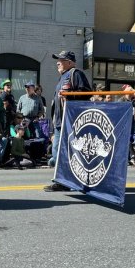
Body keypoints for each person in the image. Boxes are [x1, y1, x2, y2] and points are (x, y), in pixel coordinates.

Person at [44, 50, 91, 192]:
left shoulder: (75, 73)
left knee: (69, 153)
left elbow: (86, 94)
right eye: (57, 59)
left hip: (71, 122)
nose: (57, 62)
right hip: (60, 122)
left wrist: (69, 95)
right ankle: (64, 181)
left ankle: (65, 182)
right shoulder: (62, 77)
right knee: (58, 152)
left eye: (61, 60)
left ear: (69, 62)